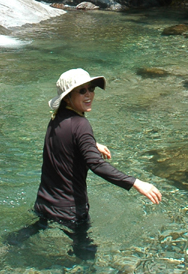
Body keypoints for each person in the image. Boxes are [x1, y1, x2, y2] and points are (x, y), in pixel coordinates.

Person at [10, 69, 161, 259]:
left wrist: (91, 144)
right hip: (70, 210)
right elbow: (97, 165)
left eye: (91, 89)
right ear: (67, 98)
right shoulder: (81, 126)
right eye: (82, 91)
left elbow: (63, 141)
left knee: (39, 226)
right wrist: (136, 183)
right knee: (86, 253)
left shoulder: (56, 118)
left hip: (44, 201)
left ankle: (10, 242)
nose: (89, 94)